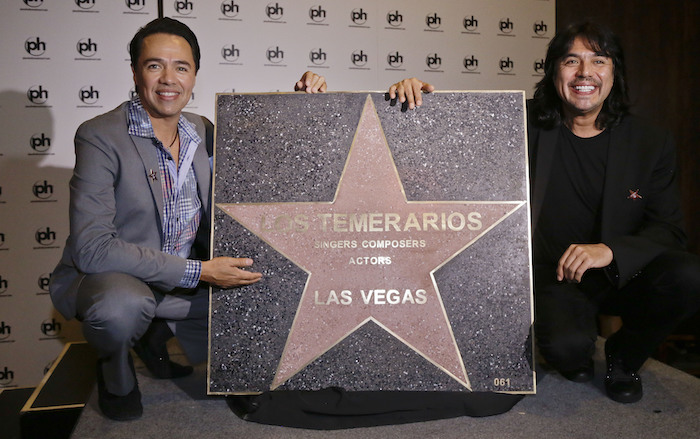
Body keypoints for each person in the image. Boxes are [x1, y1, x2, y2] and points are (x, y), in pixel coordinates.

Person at [389, 21, 700, 404]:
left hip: (623, 275)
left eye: (598, 61)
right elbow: (452, 143)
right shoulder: (520, 123)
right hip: (555, 276)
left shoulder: (650, 141)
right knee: (569, 354)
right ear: (554, 71)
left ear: (614, 72)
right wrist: (416, 101)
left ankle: (625, 358)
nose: (585, 73)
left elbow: (669, 230)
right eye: (572, 60)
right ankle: (574, 345)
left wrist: (610, 251)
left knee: (688, 275)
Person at [49, 17, 326, 421]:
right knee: (121, 306)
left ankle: (236, 374)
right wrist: (201, 272)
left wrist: (302, 102)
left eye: (181, 67)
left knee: (268, 272)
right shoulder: (99, 136)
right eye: (154, 65)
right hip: (121, 278)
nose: (168, 79)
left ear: (195, 74)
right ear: (134, 71)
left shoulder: (204, 129)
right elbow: (93, 249)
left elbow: (267, 157)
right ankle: (115, 369)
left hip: (186, 280)